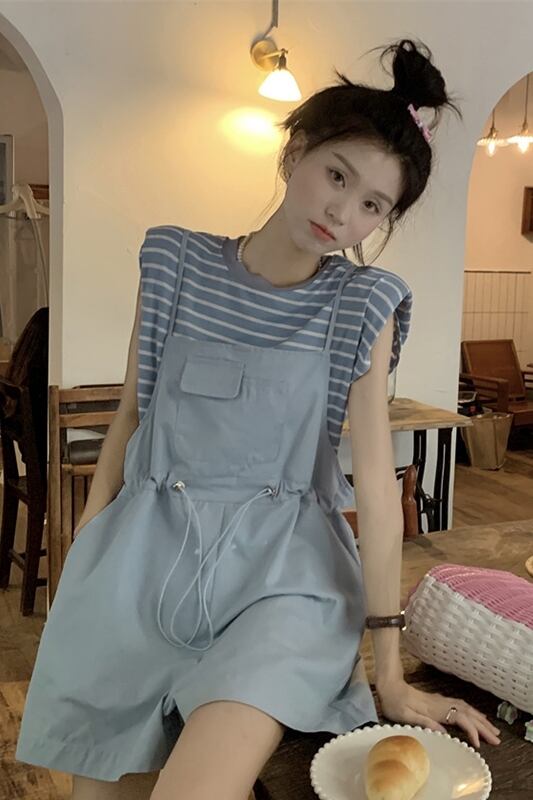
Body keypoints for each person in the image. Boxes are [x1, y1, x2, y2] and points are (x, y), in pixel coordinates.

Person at [15, 38, 500, 800]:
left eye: (372, 205)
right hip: (143, 565)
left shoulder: (361, 305)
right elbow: (131, 418)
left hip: (283, 583)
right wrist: (86, 557)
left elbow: (377, 491)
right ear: (294, 151)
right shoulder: (172, 263)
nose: (342, 212)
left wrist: (387, 671)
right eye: (336, 175)